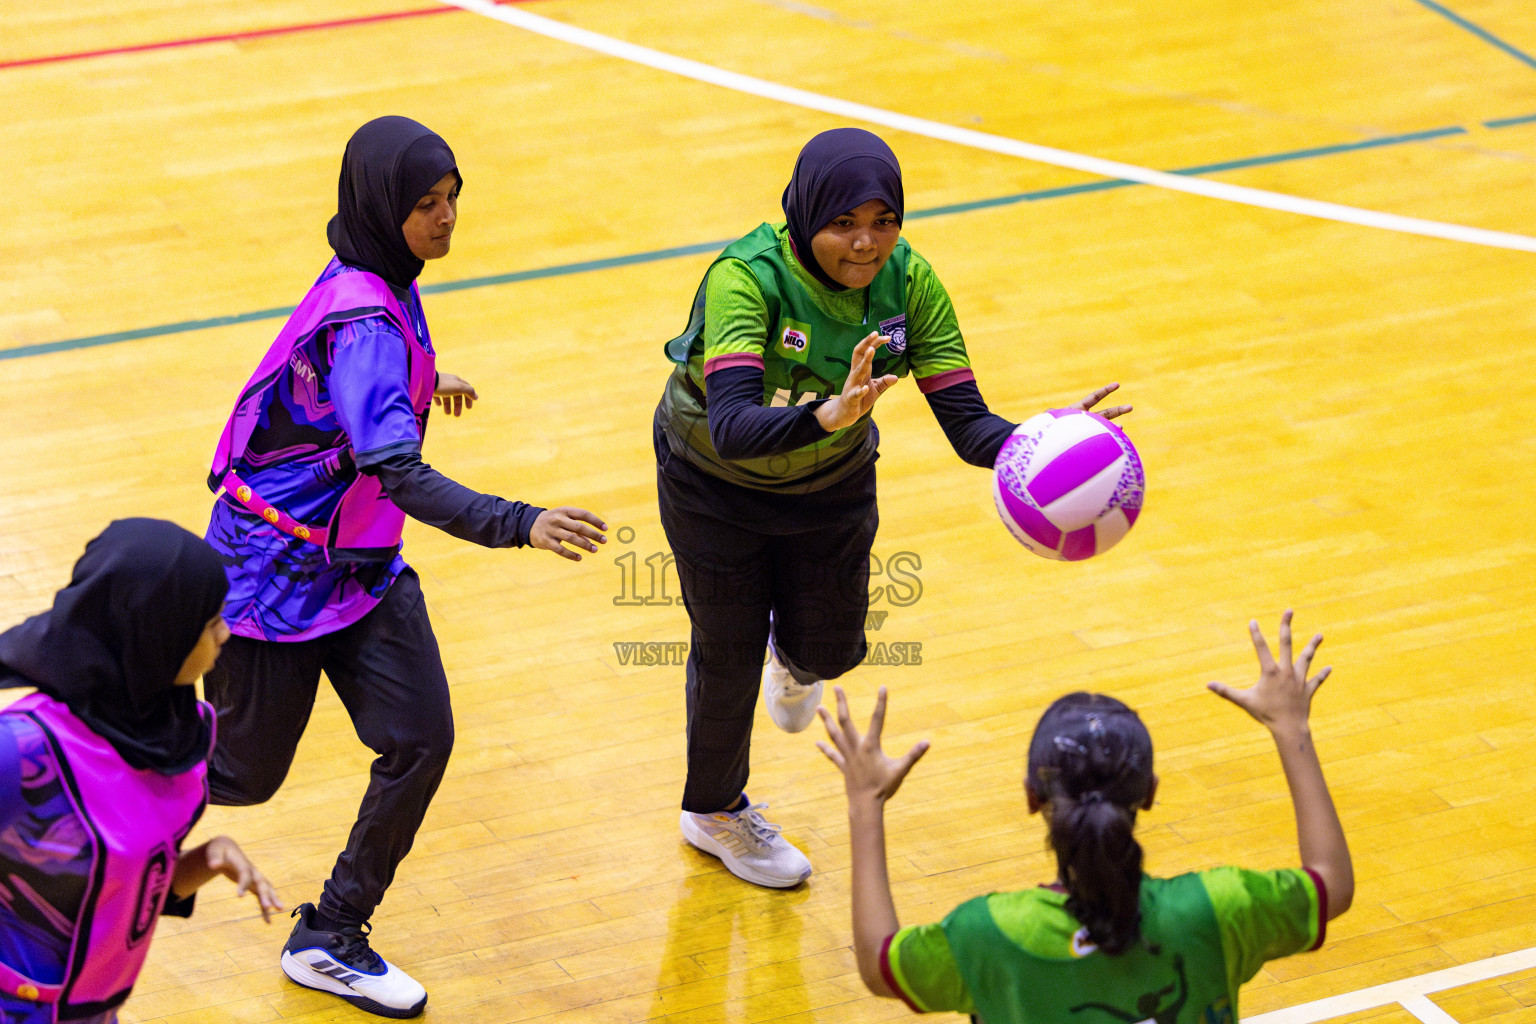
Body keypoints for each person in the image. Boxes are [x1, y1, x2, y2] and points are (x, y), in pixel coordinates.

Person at [202, 116, 607, 1017]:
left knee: (420, 738)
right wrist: (519, 522)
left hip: (359, 564)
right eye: (427, 204)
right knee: (240, 777)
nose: (446, 218)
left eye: (453, 198)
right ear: (386, 208)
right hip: (273, 576)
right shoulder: (366, 315)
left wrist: (421, 384)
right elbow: (396, 469)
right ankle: (77, 763)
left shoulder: (381, 276)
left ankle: (332, 933)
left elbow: (338, 383)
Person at [654, 126, 1129, 888]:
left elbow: (970, 427)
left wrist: (1049, 439)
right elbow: (734, 426)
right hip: (714, 485)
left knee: (832, 650)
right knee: (727, 647)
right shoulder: (747, 278)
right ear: (806, 214)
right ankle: (713, 811)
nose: (865, 243)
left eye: (884, 221)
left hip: (830, 487)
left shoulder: (909, 284)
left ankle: (796, 657)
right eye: (843, 223)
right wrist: (822, 416)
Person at [817, 610, 1353, 1023]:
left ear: (1031, 798)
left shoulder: (990, 934)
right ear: (1149, 795)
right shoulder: (1216, 909)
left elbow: (879, 963)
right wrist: (1291, 728)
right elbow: (1331, 885)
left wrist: (866, 805)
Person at [0, 518, 282, 1024]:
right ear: (158, 632)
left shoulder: (181, 734)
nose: (227, 632)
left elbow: (115, 894)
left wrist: (206, 860)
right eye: (210, 621)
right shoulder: (23, 749)